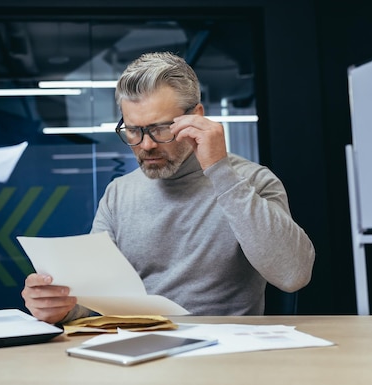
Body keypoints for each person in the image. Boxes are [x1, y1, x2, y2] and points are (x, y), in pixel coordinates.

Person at [22, 51, 315, 324]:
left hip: (222, 356)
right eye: (134, 130)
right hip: (137, 351)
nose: (146, 145)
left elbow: (293, 275)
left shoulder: (252, 181)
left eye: (160, 128)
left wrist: (219, 170)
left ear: (196, 117)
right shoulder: (118, 193)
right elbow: (96, 299)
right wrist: (61, 307)